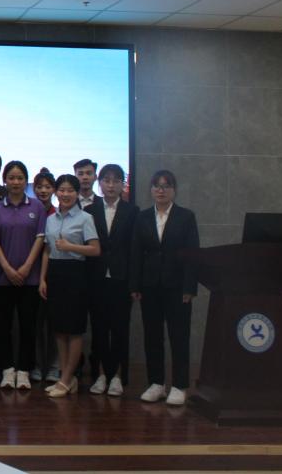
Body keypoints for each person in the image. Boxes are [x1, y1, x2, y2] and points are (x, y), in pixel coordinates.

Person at [129, 170, 199, 407]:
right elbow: (136, 253)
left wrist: (190, 287)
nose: (161, 190)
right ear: (151, 189)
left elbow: (193, 254)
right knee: (152, 336)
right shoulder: (143, 217)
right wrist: (135, 284)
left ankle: (180, 385)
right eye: (157, 186)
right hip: (149, 287)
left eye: (166, 186)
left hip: (178, 287)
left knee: (179, 336)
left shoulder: (186, 217)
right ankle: (156, 383)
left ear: (174, 190)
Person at [39, 174, 100, 398]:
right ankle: (65, 377)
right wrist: (43, 279)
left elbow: (95, 249)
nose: (65, 194)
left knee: (74, 330)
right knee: (59, 329)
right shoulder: (51, 219)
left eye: (70, 190)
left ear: (77, 193)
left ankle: (66, 379)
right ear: (56, 192)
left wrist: (70, 246)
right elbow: (47, 250)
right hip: (55, 274)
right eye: (62, 190)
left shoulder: (85, 218)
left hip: (76, 274)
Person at [0, 160, 46, 391]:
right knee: (2, 326)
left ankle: (24, 371)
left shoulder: (37, 207)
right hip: (2, 278)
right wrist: (8, 269)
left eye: (20, 178)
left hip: (29, 278)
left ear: (26, 180)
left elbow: (40, 239)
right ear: (5, 180)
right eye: (11, 178)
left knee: (28, 326)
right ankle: (7, 369)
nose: (15, 182)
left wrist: (26, 267)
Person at [85, 163, 139, 397]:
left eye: (116, 180)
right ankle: (99, 374)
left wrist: (134, 283)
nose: (111, 185)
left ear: (122, 184)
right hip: (96, 278)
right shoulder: (90, 210)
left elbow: (135, 250)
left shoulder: (132, 211)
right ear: (100, 183)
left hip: (121, 279)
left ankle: (117, 375)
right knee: (98, 329)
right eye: (106, 180)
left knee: (119, 329)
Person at [31, 169, 59, 384]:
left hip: (55, 275)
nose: (43, 190)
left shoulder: (58, 214)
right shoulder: (28, 211)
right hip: (31, 274)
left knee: (55, 323)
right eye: (39, 186)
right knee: (36, 323)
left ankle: (54, 366)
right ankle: (37, 365)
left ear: (54, 190)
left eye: (48, 187)